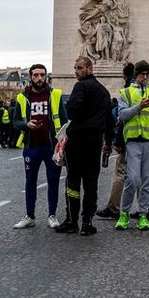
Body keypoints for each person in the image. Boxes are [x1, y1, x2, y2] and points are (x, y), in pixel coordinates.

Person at [56, 56, 114, 235]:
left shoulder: (80, 87)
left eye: (79, 67)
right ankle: (87, 223)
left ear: (90, 68)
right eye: (75, 68)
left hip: (77, 141)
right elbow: (110, 120)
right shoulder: (104, 92)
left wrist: (70, 105)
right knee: (91, 183)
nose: (76, 71)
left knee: (73, 182)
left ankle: (72, 221)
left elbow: (72, 111)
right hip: (95, 141)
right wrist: (109, 142)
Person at [11, 64, 68, 230]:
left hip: (52, 146)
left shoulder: (55, 95)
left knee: (53, 181)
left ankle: (52, 215)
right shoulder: (22, 98)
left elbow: (64, 121)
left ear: (46, 77)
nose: (39, 78)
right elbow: (16, 121)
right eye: (35, 75)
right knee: (30, 182)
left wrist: (62, 144)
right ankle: (30, 216)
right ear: (30, 77)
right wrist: (26, 124)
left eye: (42, 75)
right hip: (32, 146)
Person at [114, 60, 149, 231]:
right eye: (142, 74)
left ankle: (143, 214)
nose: (145, 77)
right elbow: (122, 115)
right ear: (136, 75)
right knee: (133, 178)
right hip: (134, 141)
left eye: (147, 74)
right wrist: (139, 106)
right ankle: (124, 213)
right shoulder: (126, 92)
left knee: (147, 180)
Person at [96, 64, 133, 220]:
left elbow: (122, 120)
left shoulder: (127, 92)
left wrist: (116, 141)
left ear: (124, 76)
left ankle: (114, 207)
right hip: (145, 139)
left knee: (120, 173)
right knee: (140, 174)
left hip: (128, 138)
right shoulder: (145, 90)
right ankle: (146, 207)